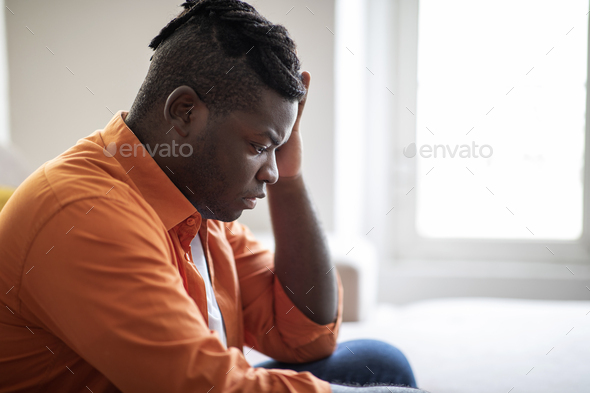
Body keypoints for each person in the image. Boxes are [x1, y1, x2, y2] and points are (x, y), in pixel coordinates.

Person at [0, 1, 422, 391]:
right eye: (259, 147)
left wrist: (290, 177)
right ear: (185, 112)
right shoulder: (83, 213)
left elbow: (306, 338)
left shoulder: (194, 200)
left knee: (377, 362)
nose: (270, 172)